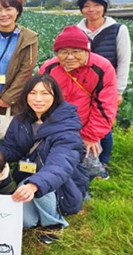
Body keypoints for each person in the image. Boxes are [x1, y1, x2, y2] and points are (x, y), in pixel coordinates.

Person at [0, 74, 89, 243]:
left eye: (45, 93)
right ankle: (38, 214)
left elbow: (60, 166)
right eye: (33, 93)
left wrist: (34, 184)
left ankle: (54, 223)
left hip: (61, 187)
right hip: (29, 182)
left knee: (34, 184)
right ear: (26, 95)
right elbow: (13, 150)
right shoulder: (21, 120)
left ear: (56, 96)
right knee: (26, 222)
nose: (38, 99)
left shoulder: (66, 129)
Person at [39, 26, 118, 179]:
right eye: (63, 52)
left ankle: (89, 179)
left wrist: (90, 136)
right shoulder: (49, 68)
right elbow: (39, 98)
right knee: (54, 158)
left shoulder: (102, 68)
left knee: (87, 158)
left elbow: (105, 106)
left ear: (86, 50)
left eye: (76, 51)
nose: (69, 57)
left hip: (86, 124)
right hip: (57, 124)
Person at [76, 0, 131, 179]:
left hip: (107, 86)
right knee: (86, 122)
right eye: (86, 6)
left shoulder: (118, 29)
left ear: (105, 7)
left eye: (96, 5)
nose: (91, 10)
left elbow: (124, 61)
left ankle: (103, 162)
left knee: (105, 125)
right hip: (83, 86)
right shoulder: (77, 30)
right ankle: (87, 158)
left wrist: (119, 90)